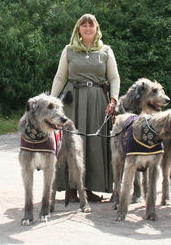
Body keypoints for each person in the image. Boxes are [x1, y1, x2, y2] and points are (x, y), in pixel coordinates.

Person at [50, 13, 120, 202]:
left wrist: (113, 101)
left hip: (98, 101)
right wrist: (51, 101)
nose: (87, 28)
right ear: (78, 29)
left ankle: (88, 188)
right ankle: (70, 189)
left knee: (93, 145)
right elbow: (60, 77)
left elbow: (114, 78)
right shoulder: (69, 50)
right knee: (71, 143)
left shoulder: (106, 51)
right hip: (73, 102)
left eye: (91, 25)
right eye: (84, 25)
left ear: (96, 28)